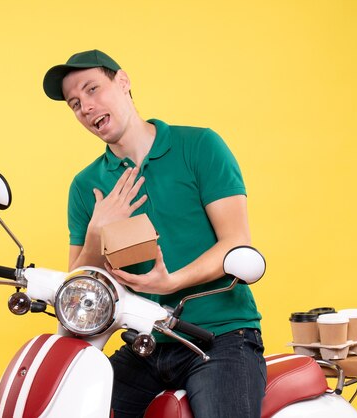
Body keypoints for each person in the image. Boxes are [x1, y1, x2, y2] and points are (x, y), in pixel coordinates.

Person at [42, 49, 266, 418]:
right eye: (74, 103)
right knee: (71, 404)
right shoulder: (86, 186)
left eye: (93, 89)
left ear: (124, 82)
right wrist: (97, 231)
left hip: (219, 338)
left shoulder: (199, 146)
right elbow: (79, 289)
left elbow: (236, 242)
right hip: (144, 344)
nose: (86, 107)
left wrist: (171, 281)